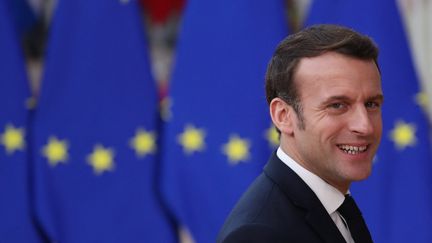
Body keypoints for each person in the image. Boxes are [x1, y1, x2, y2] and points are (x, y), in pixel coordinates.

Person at [217, 24, 383, 243]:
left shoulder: (335, 205)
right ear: (283, 116)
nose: (365, 126)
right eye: (337, 105)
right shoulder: (257, 235)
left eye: (371, 104)